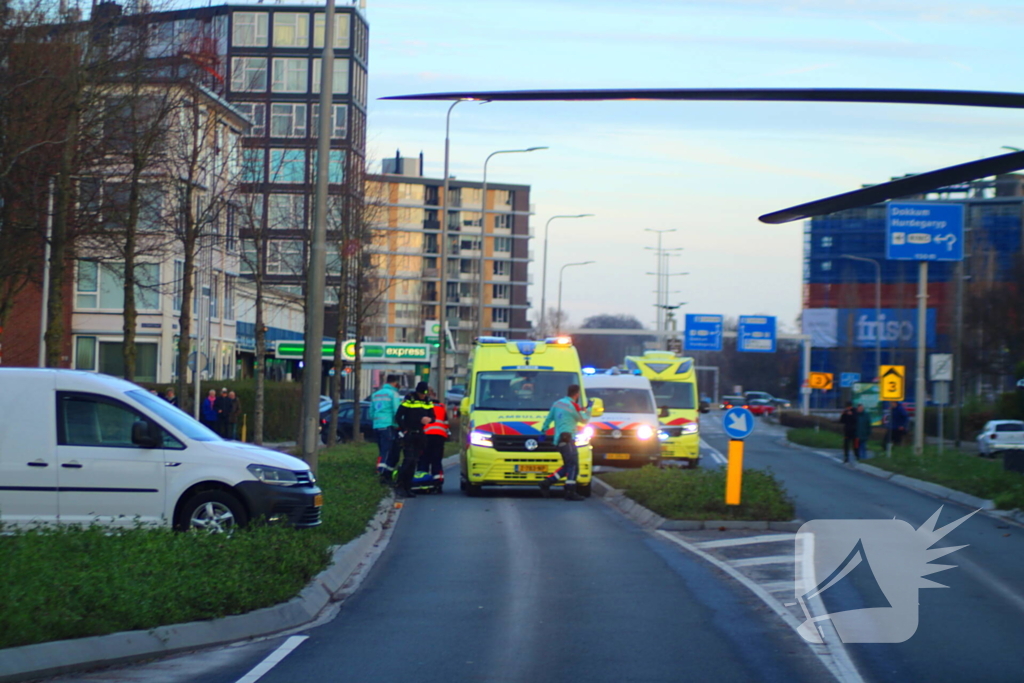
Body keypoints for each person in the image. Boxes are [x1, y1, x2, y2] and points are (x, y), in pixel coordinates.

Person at [538, 384, 594, 501]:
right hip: (568, 439)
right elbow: (584, 420)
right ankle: (570, 491)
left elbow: (549, 419)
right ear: (577, 394)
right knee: (573, 465)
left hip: (559, 439)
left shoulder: (557, 403)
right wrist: (589, 409)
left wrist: (543, 431)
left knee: (570, 465)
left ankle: (547, 482)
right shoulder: (573, 406)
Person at [393, 382, 434, 498]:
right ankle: (399, 486)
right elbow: (398, 416)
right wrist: (405, 429)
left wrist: (429, 419)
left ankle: (408, 487)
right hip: (410, 434)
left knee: (414, 462)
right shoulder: (409, 399)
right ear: (417, 391)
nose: (423, 396)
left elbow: (433, 417)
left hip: (420, 435)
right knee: (408, 460)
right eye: (421, 393)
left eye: (425, 393)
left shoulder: (427, 401)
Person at [370, 375, 403, 484]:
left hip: (377, 425)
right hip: (388, 425)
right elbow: (396, 411)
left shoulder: (376, 394)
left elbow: (371, 412)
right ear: (395, 383)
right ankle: (382, 473)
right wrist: (399, 424)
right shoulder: (393, 394)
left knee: (382, 450)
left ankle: (381, 470)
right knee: (388, 450)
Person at [421, 389, 450, 491]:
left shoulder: (422, 405)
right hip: (439, 436)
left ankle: (423, 483)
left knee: (423, 459)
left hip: (425, 435)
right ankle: (437, 483)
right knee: (436, 459)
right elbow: (446, 423)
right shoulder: (442, 406)